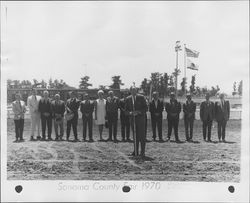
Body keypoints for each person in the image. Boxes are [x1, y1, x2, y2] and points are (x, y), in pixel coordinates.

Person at [125, 86, 147, 157]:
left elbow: (146, 108)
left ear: (136, 91)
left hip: (141, 120)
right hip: (133, 120)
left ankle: (142, 152)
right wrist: (131, 113)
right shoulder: (128, 99)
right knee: (135, 136)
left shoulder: (141, 97)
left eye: (135, 90)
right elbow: (126, 111)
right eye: (132, 90)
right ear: (130, 91)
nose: (133, 91)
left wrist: (139, 112)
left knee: (142, 136)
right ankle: (135, 151)